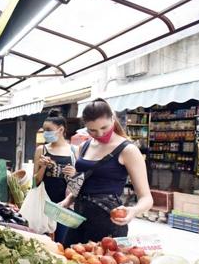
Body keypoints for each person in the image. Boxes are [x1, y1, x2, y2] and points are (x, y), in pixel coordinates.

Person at [60, 98, 153, 246]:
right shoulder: (84, 146)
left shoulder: (128, 150)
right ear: (85, 127)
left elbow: (147, 198)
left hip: (108, 222)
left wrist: (133, 211)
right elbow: (85, 181)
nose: (100, 133)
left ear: (113, 119)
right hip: (78, 220)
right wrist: (68, 200)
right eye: (93, 130)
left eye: (104, 128)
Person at [33, 109, 76, 243]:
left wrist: (75, 173)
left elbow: (80, 181)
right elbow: (35, 182)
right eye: (44, 129)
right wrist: (43, 167)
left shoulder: (74, 150)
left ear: (61, 130)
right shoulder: (42, 150)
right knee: (43, 242)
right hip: (44, 205)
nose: (45, 133)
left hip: (65, 207)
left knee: (62, 243)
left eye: (48, 130)